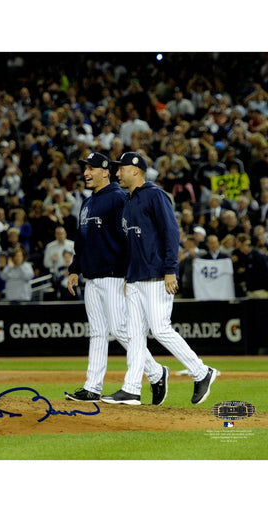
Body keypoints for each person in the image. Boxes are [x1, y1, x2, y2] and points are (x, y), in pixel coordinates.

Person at [102, 152, 217, 405]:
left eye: (120, 169)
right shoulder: (128, 200)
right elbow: (131, 243)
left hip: (156, 275)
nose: (117, 173)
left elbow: (171, 231)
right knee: (134, 335)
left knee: (161, 329)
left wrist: (170, 270)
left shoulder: (155, 195)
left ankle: (201, 371)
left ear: (136, 170)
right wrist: (127, 275)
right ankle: (131, 388)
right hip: (134, 278)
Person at [65, 152, 168, 405]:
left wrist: (128, 272)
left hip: (114, 275)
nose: (86, 173)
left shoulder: (118, 198)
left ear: (105, 171)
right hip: (92, 276)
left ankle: (156, 373)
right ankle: (92, 387)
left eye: (90, 169)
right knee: (98, 333)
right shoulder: (88, 202)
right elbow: (82, 240)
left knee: (121, 330)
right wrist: (74, 269)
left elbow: (130, 237)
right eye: (85, 169)